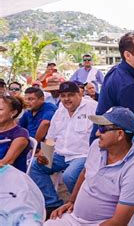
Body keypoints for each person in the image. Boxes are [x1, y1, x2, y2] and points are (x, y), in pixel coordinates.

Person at [46, 107, 134, 225]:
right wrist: (71, 201)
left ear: (120, 134)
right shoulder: (97, 146)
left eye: (102, 128)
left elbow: (119, 222)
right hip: (74, 218)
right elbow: (85, 173)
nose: (97, 133)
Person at [29, 81, 97, 216]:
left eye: (70, 95)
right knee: (35, 167)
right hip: (60, 154)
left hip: (82, 155)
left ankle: (80, 205)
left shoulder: (93, 107)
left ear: (80, 93)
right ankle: (53, 204)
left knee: (69, 176)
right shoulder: (60, 110)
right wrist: (45, 154)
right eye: (63, 95)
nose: (66, 99)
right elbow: (51, 137)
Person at [0, 96, 29, 172]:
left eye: (0, 109)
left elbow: (6, 162)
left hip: (10, 177)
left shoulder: (20, 134)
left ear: (13, 112)